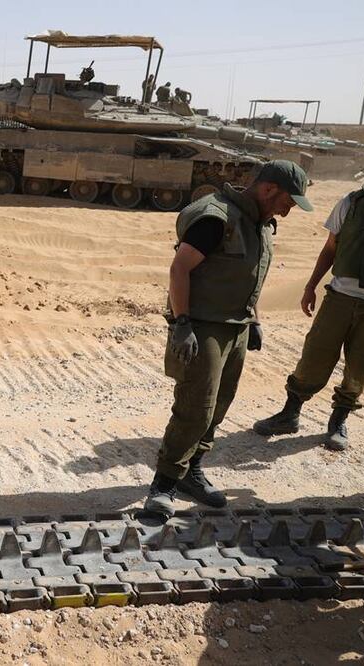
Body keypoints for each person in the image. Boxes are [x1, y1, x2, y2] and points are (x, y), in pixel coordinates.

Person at [143, 161, 313, 520]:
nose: (289, 209)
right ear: (269, 190)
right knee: (195, 406)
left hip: (235, 326)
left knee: (220, 403)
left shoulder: (257, 222)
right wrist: (182, 323)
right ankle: (164, 484)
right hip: (203, 326)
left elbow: (244, 276)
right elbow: (180, 269)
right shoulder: (215, 217)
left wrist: (253, 320)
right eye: (289, 201)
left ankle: (192, 471)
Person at [254, 146, 364, 455]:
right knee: (314, 357)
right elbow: (330, 248)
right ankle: (290, 413)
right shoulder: (350, 203)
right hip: (339, 297)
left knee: (359, 368)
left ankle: (338, 421)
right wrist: (311, 285)